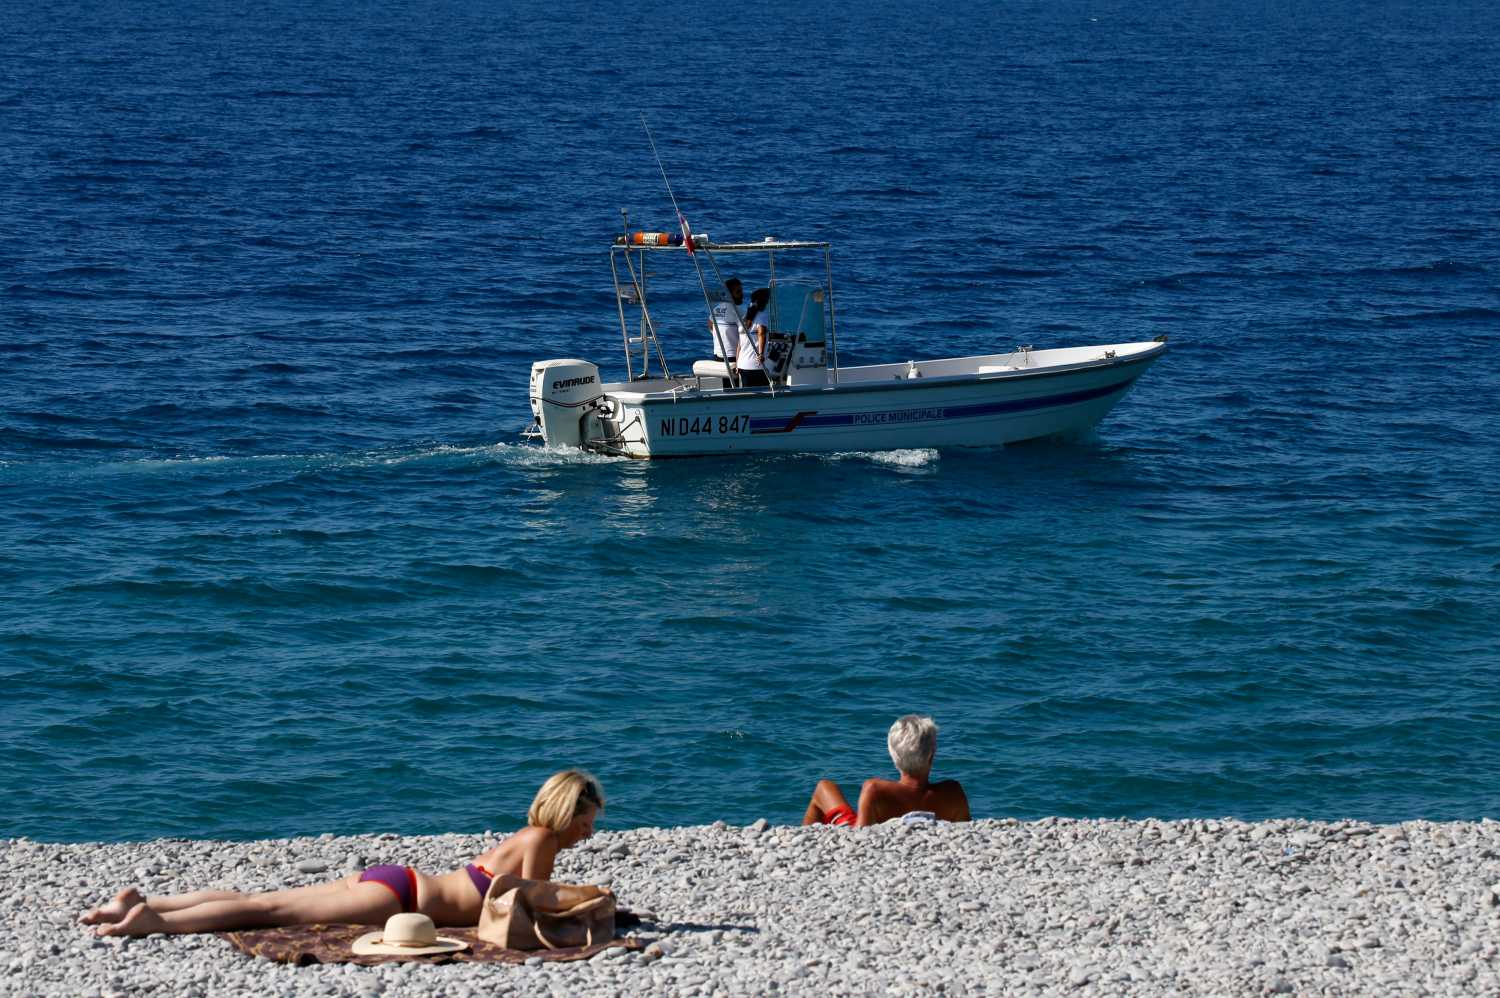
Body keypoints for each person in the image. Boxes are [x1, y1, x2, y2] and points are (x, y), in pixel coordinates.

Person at [80, 770, 605, 936]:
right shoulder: (541, 840)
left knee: (264, 899)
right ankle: (155, 922)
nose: (589, 832)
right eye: (588, 821)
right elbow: (530, 907)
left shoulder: (525, 834)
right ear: (568, 813)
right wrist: (588, 909)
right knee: (270, 912)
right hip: (400, 901)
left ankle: (142, 902)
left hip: (397, 881)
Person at [802, 715, 968, 827]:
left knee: (824, 787)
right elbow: (965, 831)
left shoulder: (875, 789)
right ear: (931, 756)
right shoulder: (953, 792)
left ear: (893, 756)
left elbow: (860, 836)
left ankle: (803, 840)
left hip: (866, 841)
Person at [737, 287, 771, 388]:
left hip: (742, 365)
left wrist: (738, 362)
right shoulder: (762, 316)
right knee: (763, 393)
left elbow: (739, 344)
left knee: (747, 393)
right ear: (763, 302)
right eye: (767, 300)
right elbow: (762, 333)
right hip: (756, 366)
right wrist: (761, 354)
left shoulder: (744, 317)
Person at [709, 278, 744, 366]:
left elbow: (710, 324)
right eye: (738, 292)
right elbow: (746, 336)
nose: (742, 294)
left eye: (741, 291)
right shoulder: (740, 312)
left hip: (717, 354)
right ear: (730, 294)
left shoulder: (716, 309)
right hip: (734, 356)